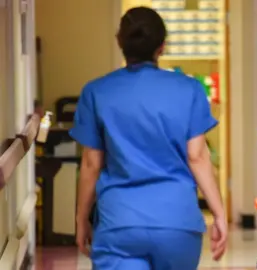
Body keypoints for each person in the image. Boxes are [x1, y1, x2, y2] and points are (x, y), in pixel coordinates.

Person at [70, 7, 227, 270]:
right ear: (162, 46)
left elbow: (91, 164)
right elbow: (198, 157)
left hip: (119, 223)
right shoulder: (189, 90)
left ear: (119, 41)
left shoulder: (96, 92)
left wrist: (81, 219)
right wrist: (219, 214)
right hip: (177, 224)